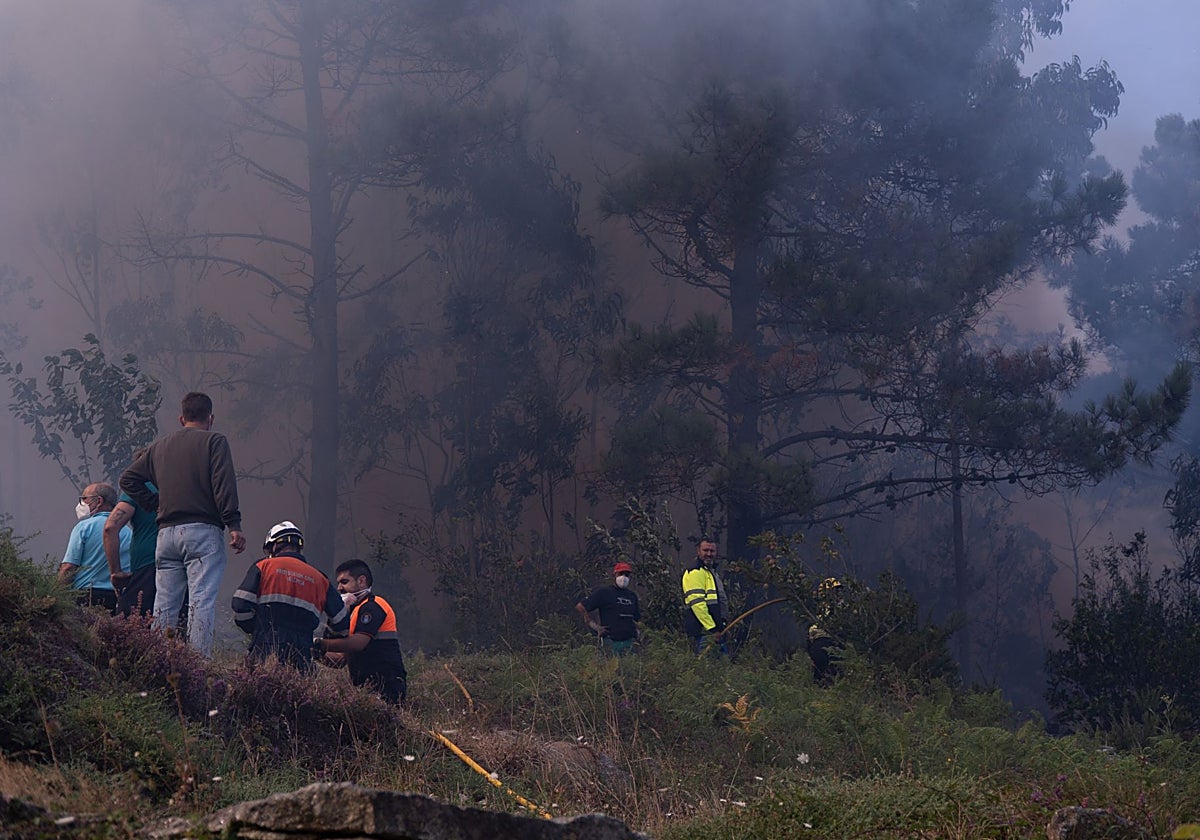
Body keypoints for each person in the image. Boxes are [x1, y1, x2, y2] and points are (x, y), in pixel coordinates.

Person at [120, 391, 246, 657]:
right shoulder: (215, 441)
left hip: (166, 535)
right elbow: (223, 483)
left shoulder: (159, 447)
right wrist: (233, 524)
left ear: (181, 418)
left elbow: (128, 479)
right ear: (210, 418)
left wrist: (154, 503)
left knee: (164, 603)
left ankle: (159, 659)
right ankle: (197, 664)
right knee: (201, 600)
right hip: (202, 532)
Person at [231, 521, 349, 669]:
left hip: (265, 649)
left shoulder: (263, 566)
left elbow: (240, 605)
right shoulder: (320, 579)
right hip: (303, 655)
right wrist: (321, 642)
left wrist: (255, 628)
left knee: (259, 682)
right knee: (300, 684)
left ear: (275, 546)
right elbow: (342, 622)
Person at [314, 559, 407, 704]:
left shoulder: (374, 605)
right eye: (338, 583)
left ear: (361, 581)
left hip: (387, 686)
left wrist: (319, 643)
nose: (339, 588)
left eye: (344, 582)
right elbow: (340, 660)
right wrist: (313, 652)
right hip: (365, 690)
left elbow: (358, 644)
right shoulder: (353, 612)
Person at [60, 483, 130, 612]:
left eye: (84, 498)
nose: (82, 503)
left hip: (86, 597)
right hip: (116, 597)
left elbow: (69, 567)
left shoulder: (84, 527)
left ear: (99, 501)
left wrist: (55, 595)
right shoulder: (127, 532)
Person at [103, 456, 158, 617]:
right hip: (182, 562)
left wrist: (116, 572)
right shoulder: (179, 487)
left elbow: (110, 527)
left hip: (147, 563)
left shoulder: (139, 488)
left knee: (131, 619)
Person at [575, 561, 641, 656]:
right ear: (614, 575)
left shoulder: (632, 596)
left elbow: (637, 618)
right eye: (621, 574)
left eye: (627, 575)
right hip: (610, 641)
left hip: (629, 642)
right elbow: (581, 606)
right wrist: (593, 625)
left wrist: (638, 632)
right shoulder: (604, 593)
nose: (624, 577)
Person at [681, 538, 728, 655]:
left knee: (722, 664)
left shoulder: (711, 573)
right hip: (704, 632)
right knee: (707, 663)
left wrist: (722, 624)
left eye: (712, 551)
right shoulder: (694, 572)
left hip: (717, 631)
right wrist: (712, 628)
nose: (709, 554)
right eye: (705, 550)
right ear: (698, 551)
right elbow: (697, 604)